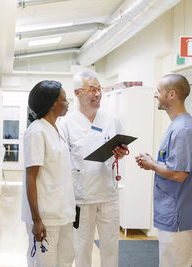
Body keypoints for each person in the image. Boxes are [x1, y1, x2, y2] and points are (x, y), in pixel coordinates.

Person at [58, 70, 128, 267]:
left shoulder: (112, 120)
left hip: (108, 195)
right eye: (91, 89)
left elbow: (121, 148)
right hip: (82, 197)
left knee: (110, 248)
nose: (97, 94)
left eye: (99, 89)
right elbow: (62, 160)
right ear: (78, 93)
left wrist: (120, 152)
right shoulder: (67, 124)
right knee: (81, 249)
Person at [135, 74, 192, 267]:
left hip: (179, 215)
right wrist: (153, 161)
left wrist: (152, 165)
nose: (155, 95)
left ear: (171, 94)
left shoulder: (183, 129)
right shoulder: (178, 126)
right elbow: (173, 165)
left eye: (159, 91)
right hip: (173, 213)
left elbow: (179, 174)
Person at [21, 80, 76, 267]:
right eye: (64, 99)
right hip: (46, 218)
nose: (67, 103)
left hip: (64, 214)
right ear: (53, 103)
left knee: (65, 262)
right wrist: (37, 220)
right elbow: (31, 178)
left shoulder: (56, 129)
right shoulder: (36, 132)